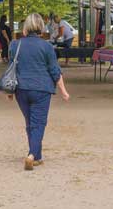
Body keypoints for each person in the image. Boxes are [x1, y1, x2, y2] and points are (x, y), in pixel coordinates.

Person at [7, 13, 70, 170]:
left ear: (26, 27)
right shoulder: (47, 47)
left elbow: (11, 69)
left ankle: (37, 155)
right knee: (39, 123)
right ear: (41, 27)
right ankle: (32, 155)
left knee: (30, 123)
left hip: (21, 89)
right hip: (42, 89)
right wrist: (63, 90)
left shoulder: (15, 45)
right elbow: (55, 70)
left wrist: (9, 91)